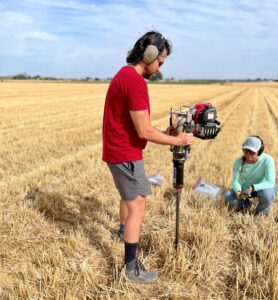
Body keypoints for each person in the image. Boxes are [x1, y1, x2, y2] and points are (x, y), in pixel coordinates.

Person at [102, 31, 194, 283]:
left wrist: (164, 134)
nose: (160, 67)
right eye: (160, 61)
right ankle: (131, 269)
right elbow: (143, 130)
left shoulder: (124, 74)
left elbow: (137, 127)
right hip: (125, 154)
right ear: (149, 55)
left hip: (118, 151)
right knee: (138, 206)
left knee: (129, 198)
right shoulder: (136, 82)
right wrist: (178, 140)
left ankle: (123, 233)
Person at [225, 136, 276, 215]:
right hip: (245, 189)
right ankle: (246, 206)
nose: (248, 155)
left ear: (260, 151)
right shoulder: (238, 162)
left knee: (267, 194)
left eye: (252, 152)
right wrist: (238, 191)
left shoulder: (268, 160)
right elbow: (235, 180)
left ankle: (260, 213)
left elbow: (270, 182)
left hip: (262, 188)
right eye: (245, 151)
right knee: (228, 195)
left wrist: (252, 187)